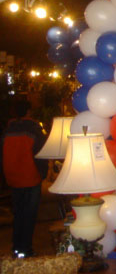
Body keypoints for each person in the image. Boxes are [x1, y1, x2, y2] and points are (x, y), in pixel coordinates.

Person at [1, 96, 47, 258]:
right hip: (31, 178)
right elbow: (41, 155)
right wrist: (43, 174)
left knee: (18, 214)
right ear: (29, 111)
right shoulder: (34, 131)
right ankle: (26, 248)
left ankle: (17, 247)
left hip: (13, 178)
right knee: (29, 215)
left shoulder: (7, 132)